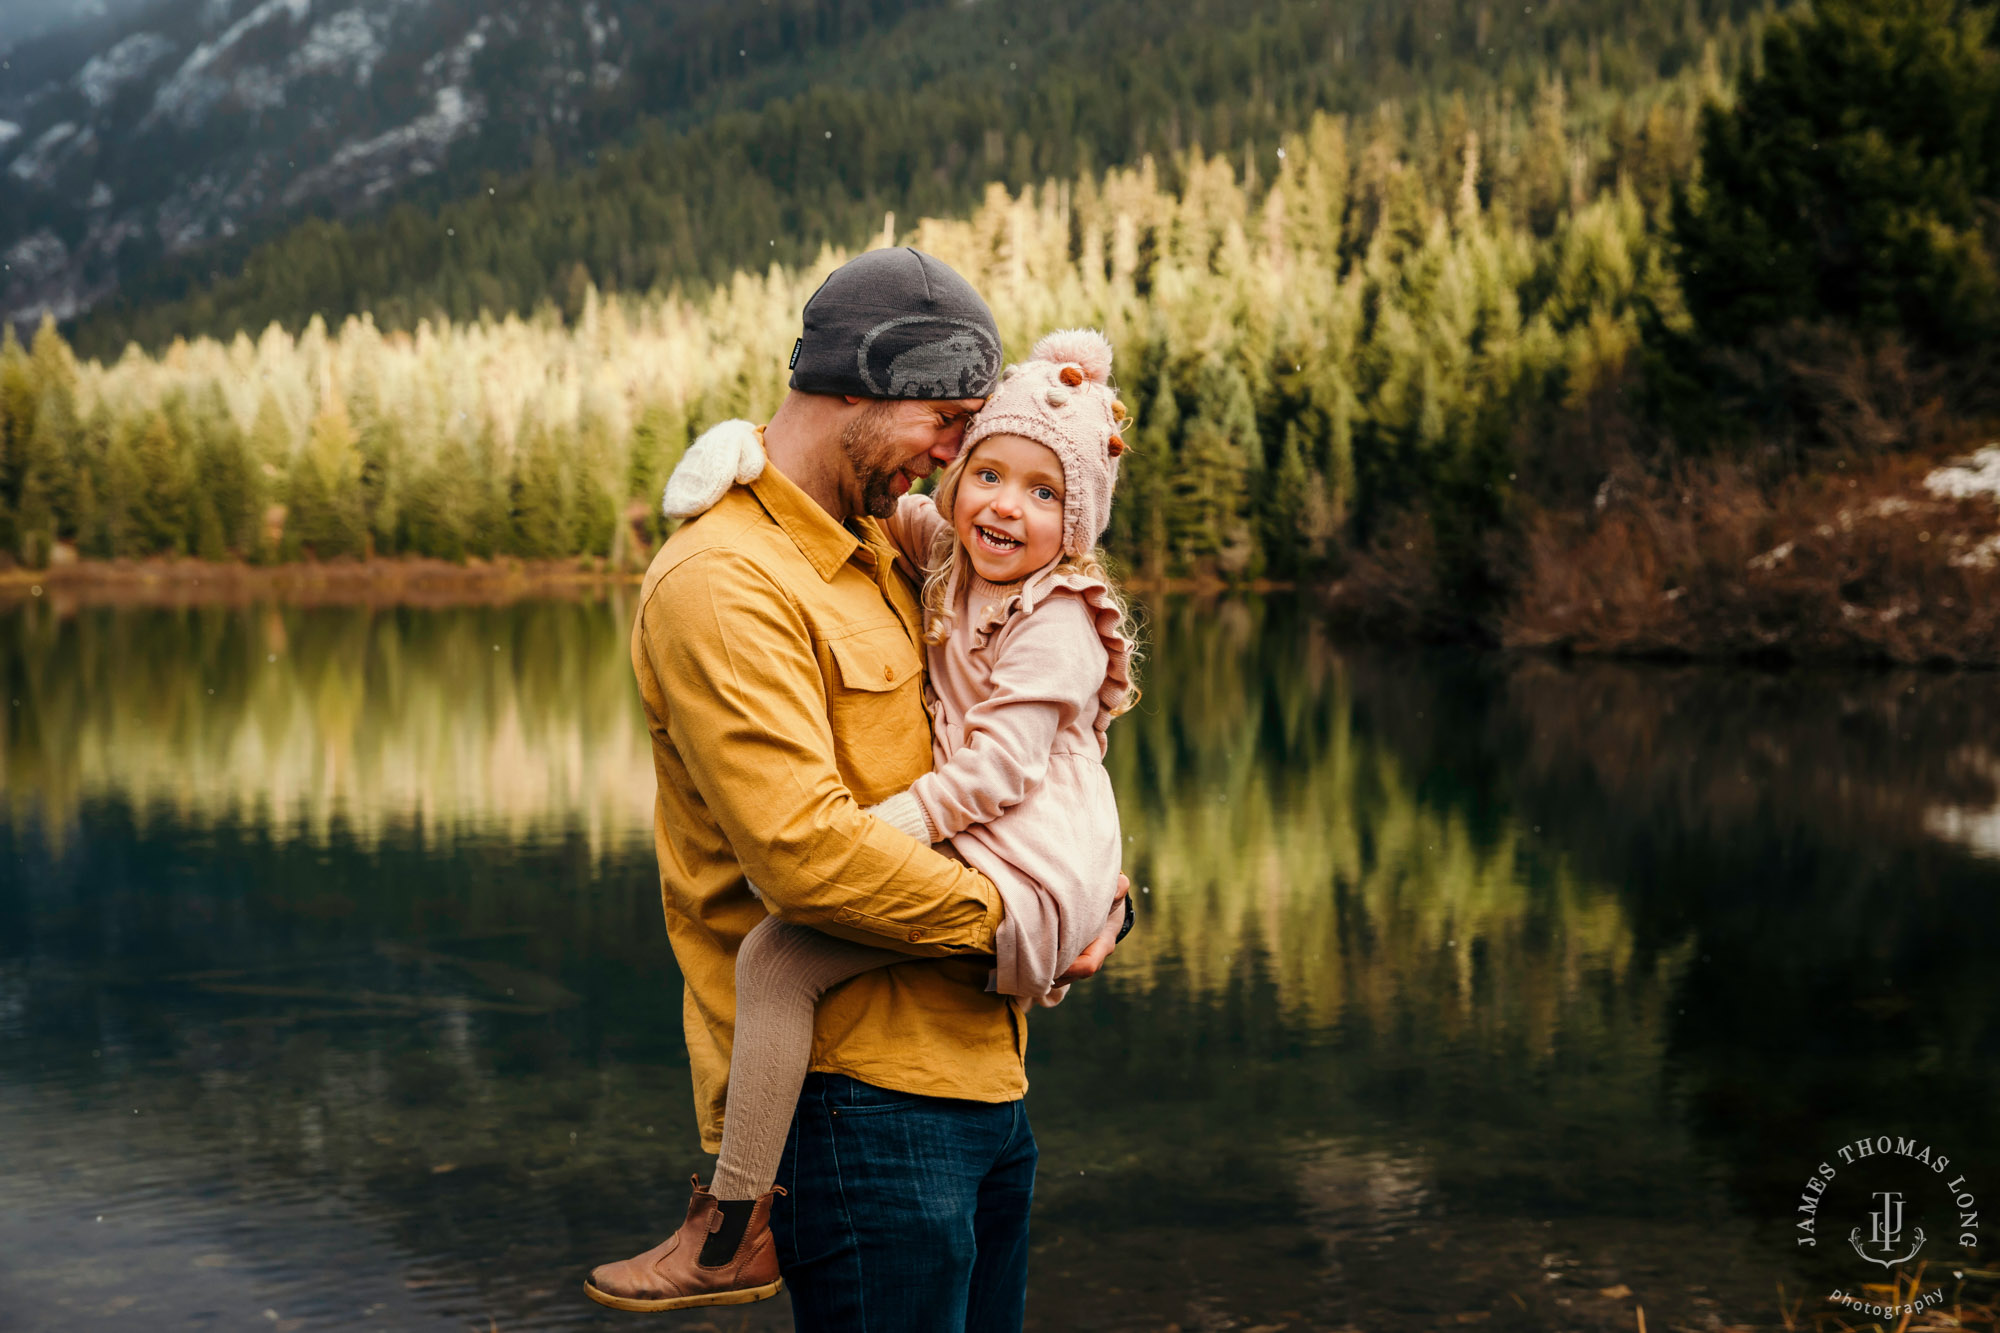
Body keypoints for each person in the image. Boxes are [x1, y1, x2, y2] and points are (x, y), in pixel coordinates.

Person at [587, 249, 1128, 1330]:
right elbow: (806, 859)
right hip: (862, 1107)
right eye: (945, 417)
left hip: (983, 1082)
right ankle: (731, 1222)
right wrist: (1017, 923)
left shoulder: (890, 545)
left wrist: (1103, 897)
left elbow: (1019, 755)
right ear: (859, 383)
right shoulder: (725, 581)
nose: (956, 451)